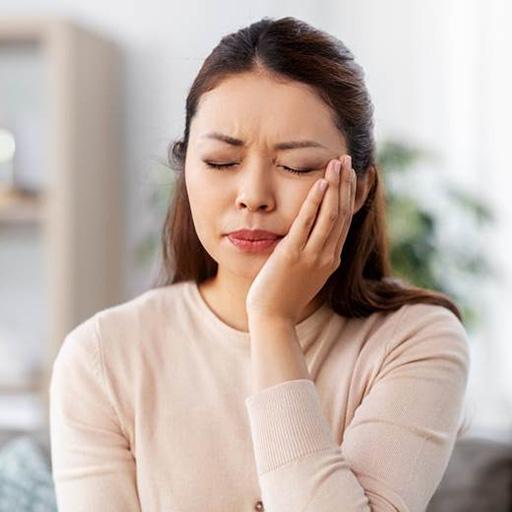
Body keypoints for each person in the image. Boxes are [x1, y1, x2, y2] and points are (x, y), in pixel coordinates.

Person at [49, 16, 471, 512]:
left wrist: (271, 321)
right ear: (185, 170)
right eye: (221, 162)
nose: (253, 196)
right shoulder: (102, 357)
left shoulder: (415, 340)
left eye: (296, 167)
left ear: (356, 189)